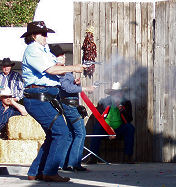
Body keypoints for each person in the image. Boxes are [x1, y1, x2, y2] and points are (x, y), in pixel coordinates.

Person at [20, 21, 84, 182]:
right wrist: (73, 68)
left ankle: (36, 171)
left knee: (53, 135)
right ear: (33, 36)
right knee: (61, 132)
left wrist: (68, 70)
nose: (46, 37)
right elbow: (51, 70)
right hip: (38, 97)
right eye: (43, 34)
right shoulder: (33, 50)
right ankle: (49, 171)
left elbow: (56, 70)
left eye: (46, 34)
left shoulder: (42, 50)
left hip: (43, 97)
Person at [50, 45, 94, 171]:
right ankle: (74, 163)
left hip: (69, 103)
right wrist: (85, 88)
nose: (63, 57)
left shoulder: (62, 70)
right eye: (60, 55)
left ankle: (64, 163)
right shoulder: (59, 71)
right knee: (80, 133)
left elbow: (69, 86)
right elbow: (67, 88)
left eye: (63, 55)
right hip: (70, 104)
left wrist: (76, 82)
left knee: (70, 134)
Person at [87, 82, 135, 164]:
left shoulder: (126, 103)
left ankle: (128, 157)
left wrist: (122, 111)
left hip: (119, 129)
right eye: (115, 92)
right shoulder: (104, 102)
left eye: (119, 92)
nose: (117, 94)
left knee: (130, 128)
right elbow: (100, 118)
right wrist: (109, 129)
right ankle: (93, 157)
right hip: (106, 128)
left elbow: (130, 119)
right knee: (97, 127)